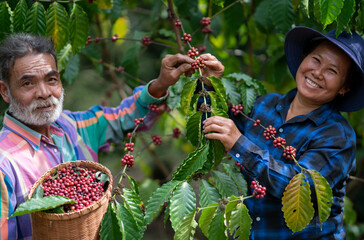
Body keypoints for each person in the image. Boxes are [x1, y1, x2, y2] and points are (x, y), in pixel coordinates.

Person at [0, 33, 200, 239]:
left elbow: (126, 117)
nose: (44, 92)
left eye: (51, 80)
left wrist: (161, 84)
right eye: (28, 84)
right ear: (5, 91)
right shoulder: (4, 163)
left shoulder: (75, 127)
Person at [203, 26, 364, 239]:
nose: (317, 72)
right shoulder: (264, 104)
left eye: (332, 71)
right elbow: (213, 126)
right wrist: (209, 85)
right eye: (316, 60)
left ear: (344, 88)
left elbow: (300, 188)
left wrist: (240, 144)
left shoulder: (337, 136)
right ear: (304, 59)